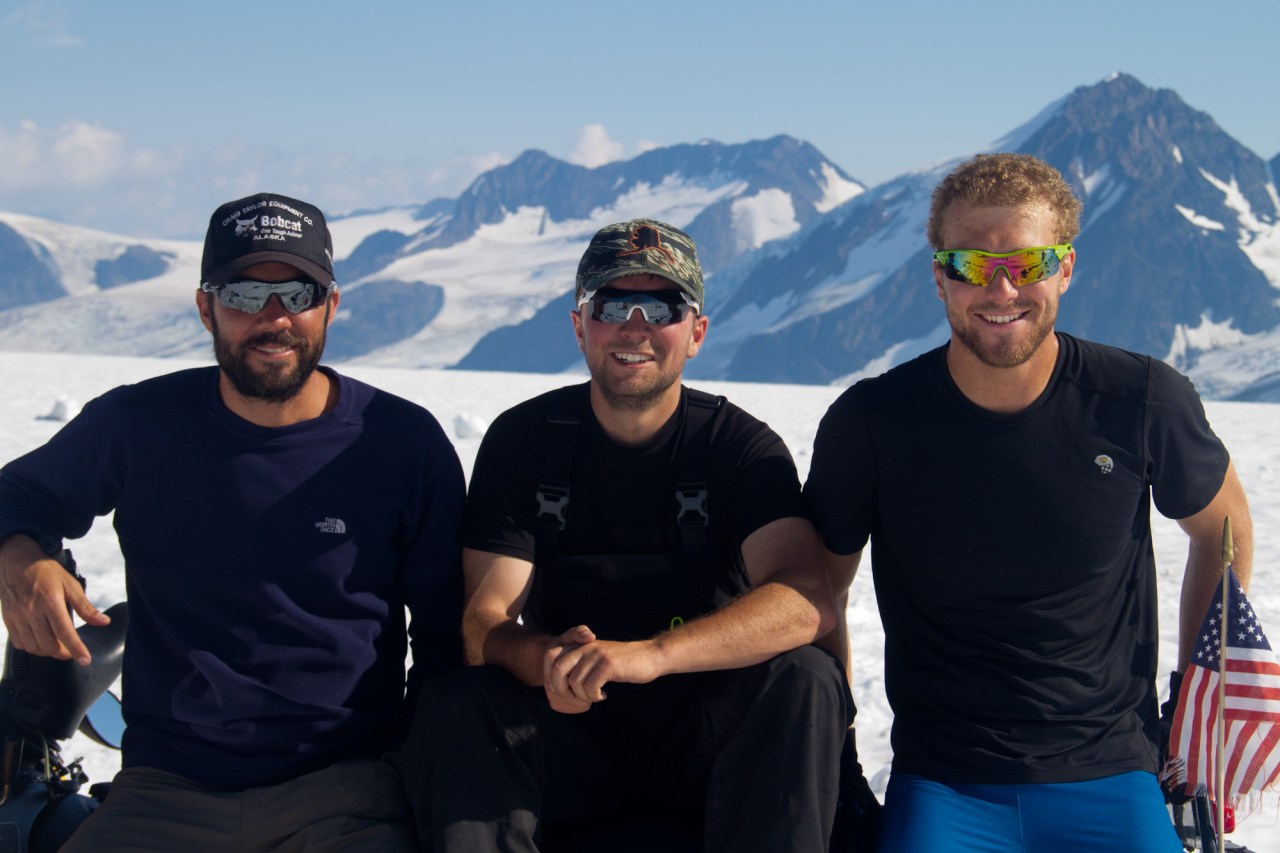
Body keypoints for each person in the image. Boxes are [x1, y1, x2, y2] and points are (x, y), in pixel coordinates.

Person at [804, 153, 1253, 852]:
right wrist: (839, 750)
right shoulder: (871, 423)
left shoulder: (1139, 399)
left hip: (1112, 771)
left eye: (1028, 262)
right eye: (973, 264)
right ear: (940, 277)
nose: (1003, 287)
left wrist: (1193, 702)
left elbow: (1222, 526)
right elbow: (818, 590)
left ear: (1065, 268)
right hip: (945, 780)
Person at [0, 192, 466, 852]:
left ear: (330, 305)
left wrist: (414, 780)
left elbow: (450, 645)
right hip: (166, 791)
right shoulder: (138, 426)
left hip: (343, 793)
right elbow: (15, 493)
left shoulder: (401, 445)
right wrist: (20, 554)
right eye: (246, 293)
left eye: (297, 292)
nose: (273, 317)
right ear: (205, 307)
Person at [397, 218, 861, 852]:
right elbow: (484, 622)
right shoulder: (525, 442)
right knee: (459, 703)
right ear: (580, 324)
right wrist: (552, 665)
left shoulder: (739, 447)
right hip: (568, 733)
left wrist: (649, 656)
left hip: (707, 743)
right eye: (613, 303)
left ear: (695, 333)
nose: (635, 326)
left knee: (805, 679)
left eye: (663, 306)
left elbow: (807, 598)